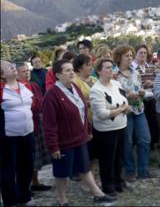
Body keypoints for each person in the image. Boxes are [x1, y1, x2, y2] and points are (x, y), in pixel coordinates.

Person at [42, 59, 115, 205]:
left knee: (85, 167)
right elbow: (49, 123)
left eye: (72, 69)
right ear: (57, 75)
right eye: (67, 70)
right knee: (61, 172)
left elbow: (83, 110)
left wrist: (87, 129)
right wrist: (53, 146)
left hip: (79, 137)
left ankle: (97, 194)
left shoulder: (75, 87)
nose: (71, 73)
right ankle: (63, 200)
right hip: (63, 142)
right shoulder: (52, 94)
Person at [90, 58, 131, 196]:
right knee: (107, 159)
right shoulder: (96, 89)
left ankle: (119, 181)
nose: (110, 70)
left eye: (111, 67)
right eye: (107, 68)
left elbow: (124, 101)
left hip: (121, 125)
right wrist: (121, 109)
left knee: (119, 157)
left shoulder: (116, 83)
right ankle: (108, 185)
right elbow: (101, 114)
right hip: (106, 130)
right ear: (99, 71)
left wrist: (126, 108)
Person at [113, 45, 151, 181]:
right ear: (119, 58)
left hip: (139, 109)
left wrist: (142, 92)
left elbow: (139, 87)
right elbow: (112, 95)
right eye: (126, 56)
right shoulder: (114, 75)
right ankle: (129, 171)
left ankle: (143, 170)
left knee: (145, 140)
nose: (130, 58)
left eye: (131, 55)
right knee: (127, 143)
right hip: (124, 112)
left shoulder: (135, 72)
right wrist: (127, 96)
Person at [0, 60, 35, 206]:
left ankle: (24, 196)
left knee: (27, 166)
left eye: (12, 65)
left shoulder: (25, 86)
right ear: (1, 74)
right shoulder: (1, 89)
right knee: (8, 169)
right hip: (8, 137)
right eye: (8, 66)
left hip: (28, 132)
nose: (13, 67)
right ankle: (10, 200)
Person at [16, 63, 52, 192]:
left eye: (27, 70)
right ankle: (26, 186)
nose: (26, 73)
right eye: (23, 71)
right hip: (26, 125)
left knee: (36, 156)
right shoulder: (16, 88)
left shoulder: (34, 85)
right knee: (29, 156)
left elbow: (40, 102)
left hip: (38, 121)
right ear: (16, 74)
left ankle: (35, 182)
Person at [132, 44, 159, 150]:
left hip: (151, 99)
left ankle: (152, 144)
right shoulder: (132, 68)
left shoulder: (151, 67)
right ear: (135, 54)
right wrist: (142, 86)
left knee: (153, 122)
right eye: (140, 53)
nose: (143, 55)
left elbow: (158, 81)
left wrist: (152, 83)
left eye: (144, 53)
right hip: (139, 100)